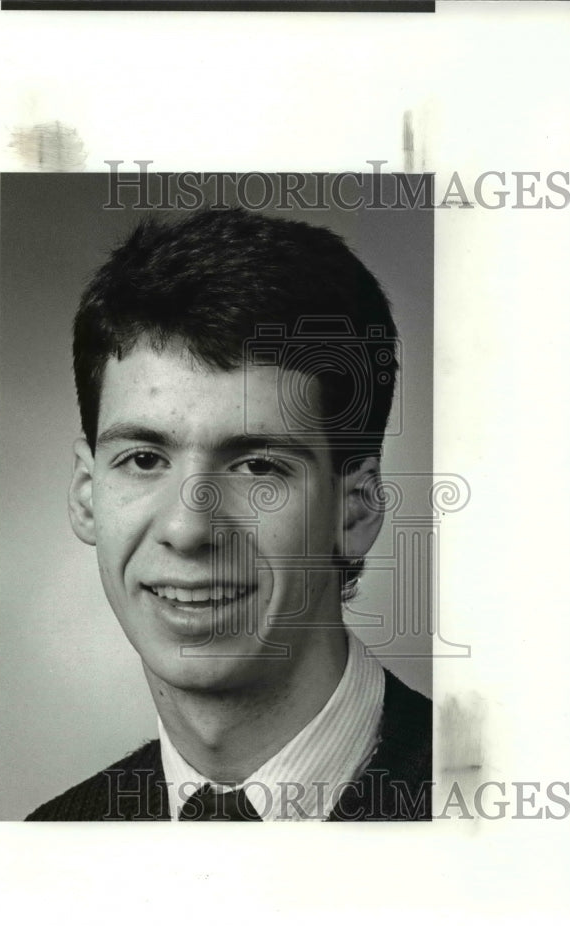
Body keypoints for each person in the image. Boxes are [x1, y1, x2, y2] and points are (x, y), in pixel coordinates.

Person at [27, 206, 431, 822]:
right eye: (142, 459)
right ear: (86, 492)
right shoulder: (51, 839)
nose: (188, 529)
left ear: (355, 509)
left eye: (258, 468)